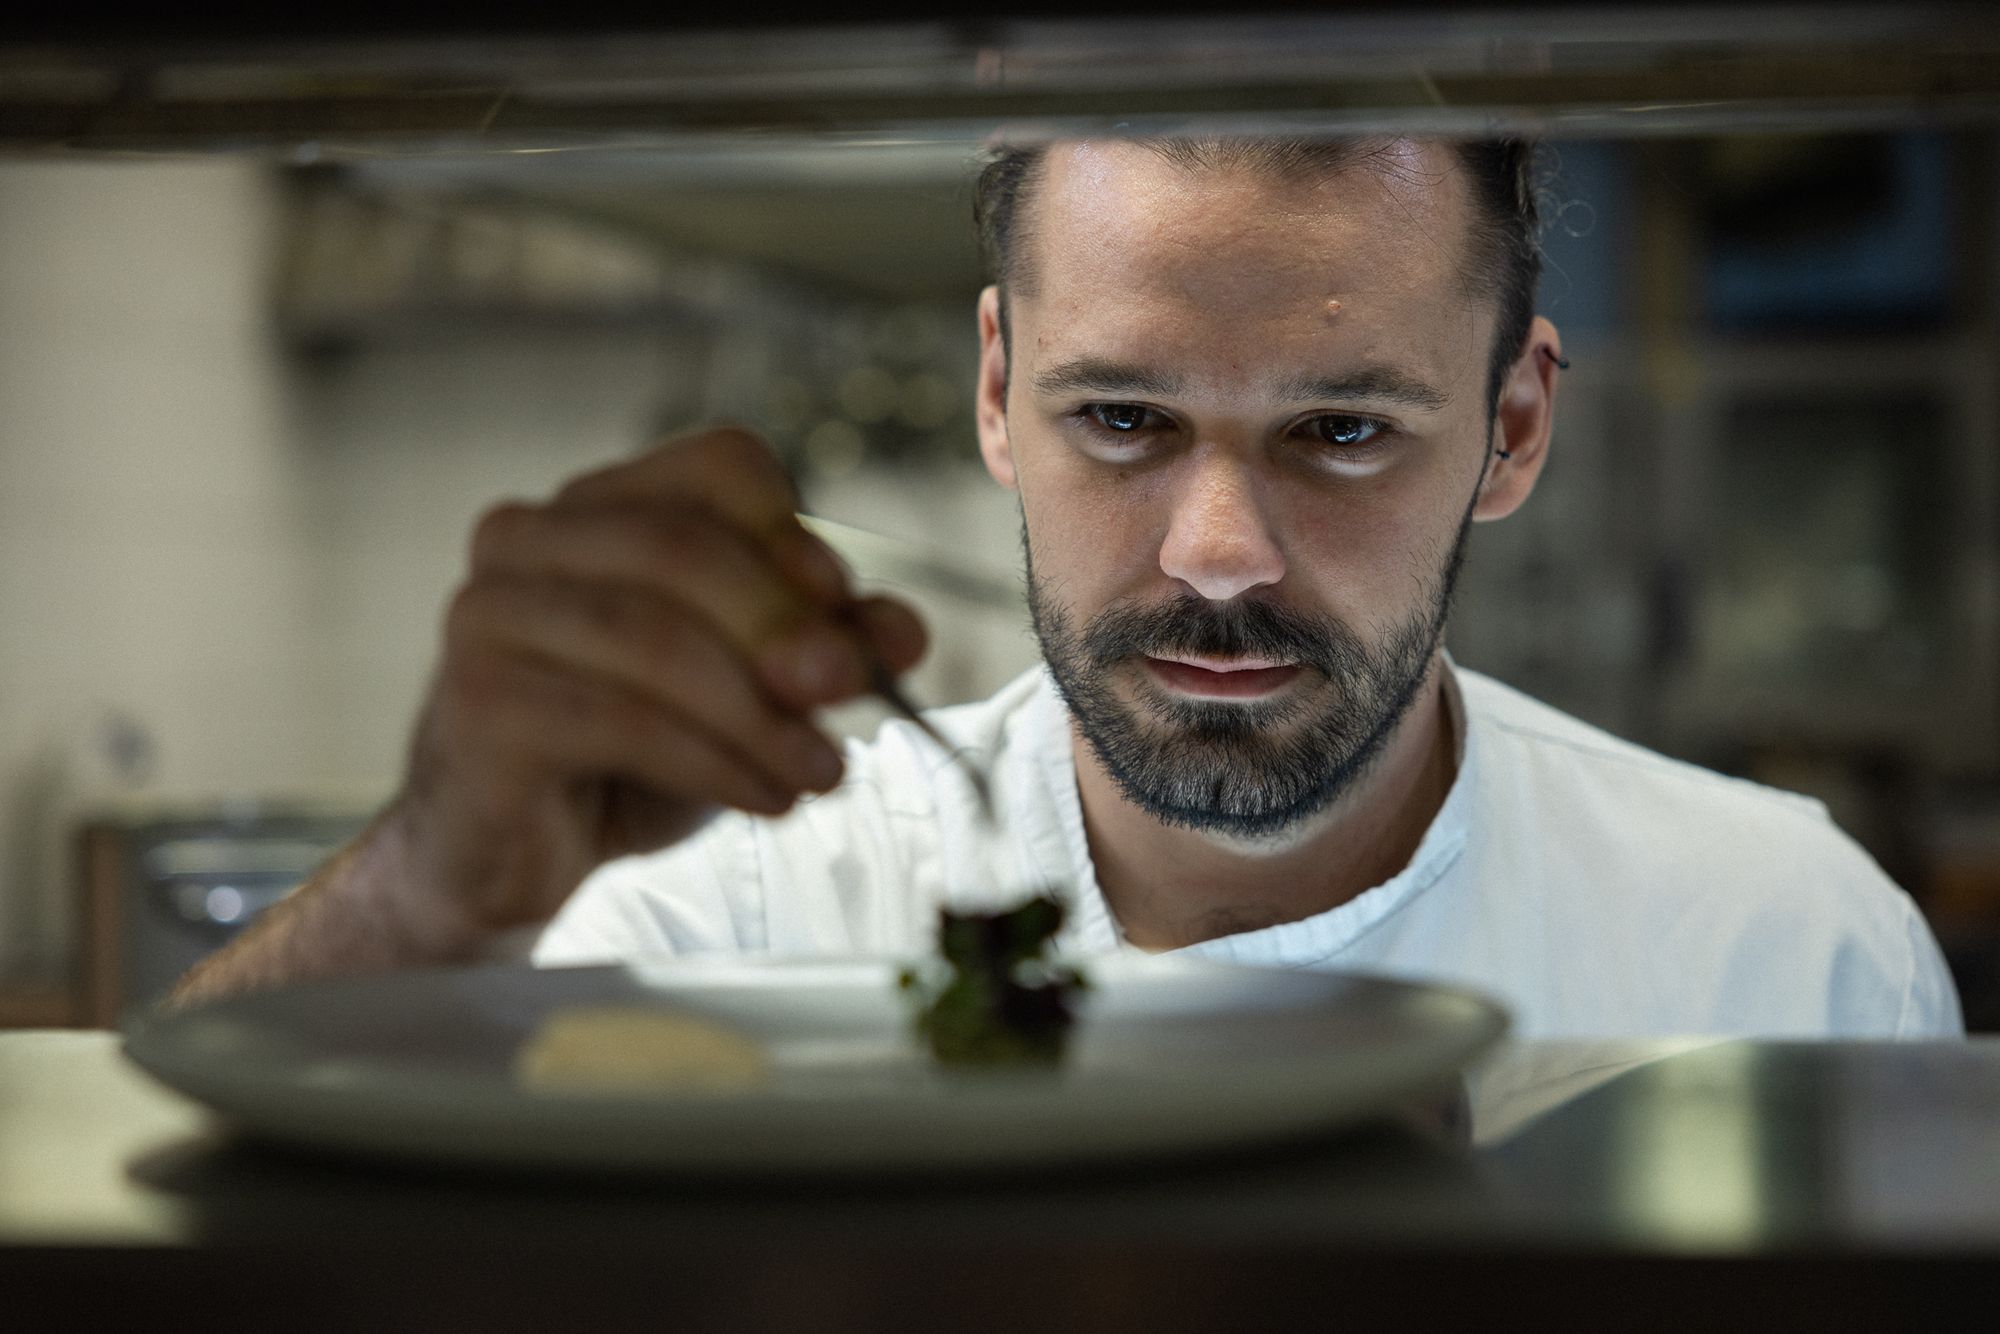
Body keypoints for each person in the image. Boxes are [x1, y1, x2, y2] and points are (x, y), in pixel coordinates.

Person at [175, 135, 1962, 1038]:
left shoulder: (1782, 947)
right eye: (1121, 418)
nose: (1217, 553)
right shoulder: (738, 903)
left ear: (1512, 427)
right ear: (994, 394)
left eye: (1343, 430)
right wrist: (429, 884)